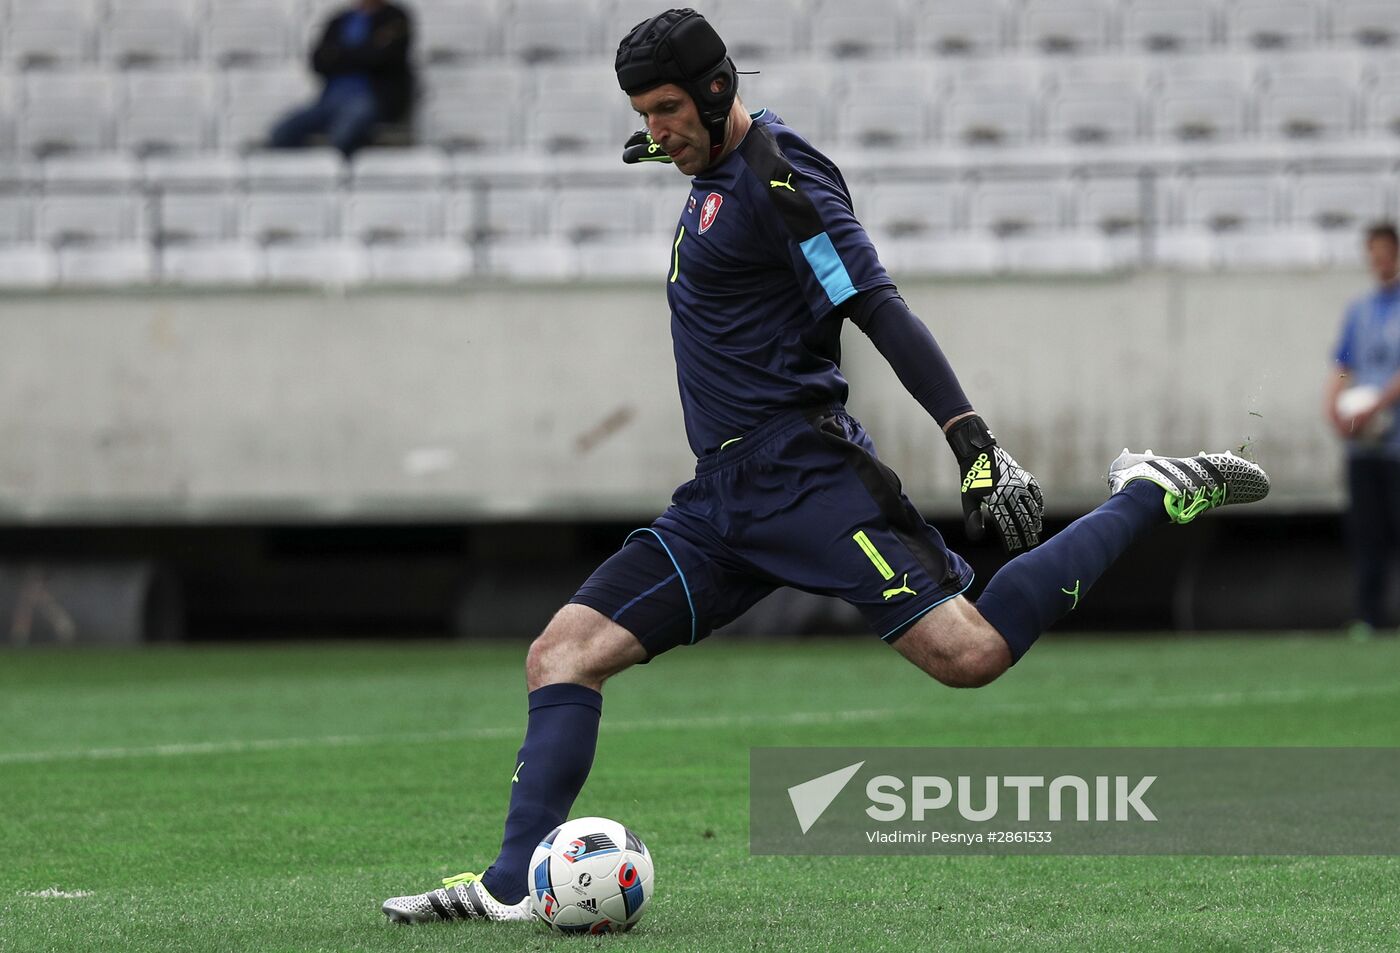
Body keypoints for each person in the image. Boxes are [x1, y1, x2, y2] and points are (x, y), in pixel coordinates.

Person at [380, 9, 1270, 924]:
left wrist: (973, 441)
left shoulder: (782, 180)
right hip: (720, 498)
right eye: (644, 114)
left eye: (667, 110)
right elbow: (711, 180)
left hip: (804, 477)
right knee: (561, 654)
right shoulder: (718, 170)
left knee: (970, 655)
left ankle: (1148, 491)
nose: (656, 130)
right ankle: (503, 885)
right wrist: (677, 146)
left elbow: (875, 305)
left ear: (719, 89)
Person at [1327, 223, 1400, 636]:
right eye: (1372, 253)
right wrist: (1333, 408)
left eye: (1385, 252)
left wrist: (1376, 404)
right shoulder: (1360, 310)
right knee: (1366, 533)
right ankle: (1370, 618)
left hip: (1396, 442)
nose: (1379, 261)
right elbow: (1343, 366)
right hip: (1364, 446)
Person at [267, 0, 413, 157]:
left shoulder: (395, 17)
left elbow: (383, 58)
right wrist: (366, 50)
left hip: (372, 99)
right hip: (331, 99)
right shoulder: (339, 20)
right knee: (282, 134)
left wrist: (339, 54)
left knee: (343, 135)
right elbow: (318, 62)